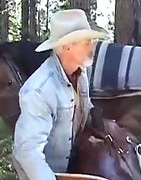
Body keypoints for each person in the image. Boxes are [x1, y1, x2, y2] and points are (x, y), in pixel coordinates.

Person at [11, 9, 107, 180]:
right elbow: (28, 152)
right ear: (67, 46)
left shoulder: (80, 73)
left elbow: (83, 110)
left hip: (72, 167)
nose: (92, 47)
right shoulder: (39, 91)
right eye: (86, 42)